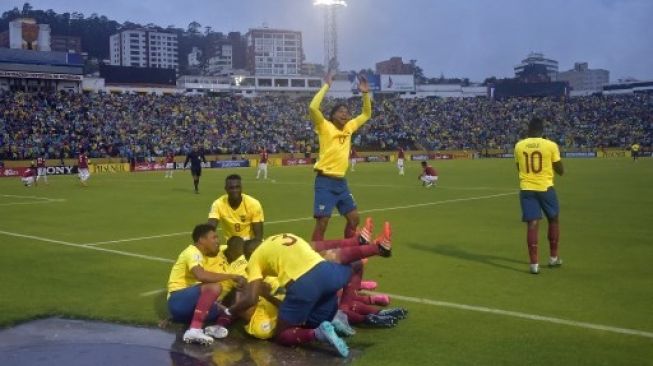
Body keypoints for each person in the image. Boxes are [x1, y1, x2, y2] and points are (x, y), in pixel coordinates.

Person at [224, 230, 395, 358]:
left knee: (282, 336)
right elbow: (320, 247)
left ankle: (319, 333)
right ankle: (340, 311)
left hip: (306, 285)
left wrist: (228, 312)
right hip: (328, 275)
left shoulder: (254, 259)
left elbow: (251, 298)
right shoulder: (283, 237)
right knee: (355, 264)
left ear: (248, 255)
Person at [308, 72, 372, 241]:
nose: (345, 114)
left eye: (347, 112)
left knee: (354, 219)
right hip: (325, 181)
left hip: (341, 183)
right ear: (333, 115)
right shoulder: (324, 126)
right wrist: (326, 86)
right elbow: (313, 107)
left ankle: (348, 248)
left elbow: (366, 114)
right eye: (341, 111)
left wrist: (365, 94)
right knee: (323, 222)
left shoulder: (349, 127)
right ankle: (314, 258)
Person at [167, 224, 246, 345]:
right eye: (214, 237)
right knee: (214, 287)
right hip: (178, 300)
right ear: (201, 240)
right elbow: (201, 276)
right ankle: (195, 329)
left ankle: (214, 327)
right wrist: (232, 276)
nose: (217, 241)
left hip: (189, 308)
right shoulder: (192, 252)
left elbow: (235, 245)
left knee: (232, 308)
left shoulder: (210, 252)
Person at [514, 117, 564, 274]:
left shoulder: (519, 145)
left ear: (528, 130)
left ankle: (534, 265)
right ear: (542, 130)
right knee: (553, 219)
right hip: (545, 188)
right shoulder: (550, 145)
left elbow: (519, 167)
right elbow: (560, 169)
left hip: (527, 189)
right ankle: (553, 258)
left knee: (532, 224)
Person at [207, 174, 264, 246]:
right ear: (226, 189)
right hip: (231, 245)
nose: (235, 190)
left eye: (237, 187)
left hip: (250, 244)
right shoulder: (218, 204)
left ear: (241, 188)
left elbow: (258, 237)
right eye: (231, 188)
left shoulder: (253, 204)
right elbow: (210, 228)